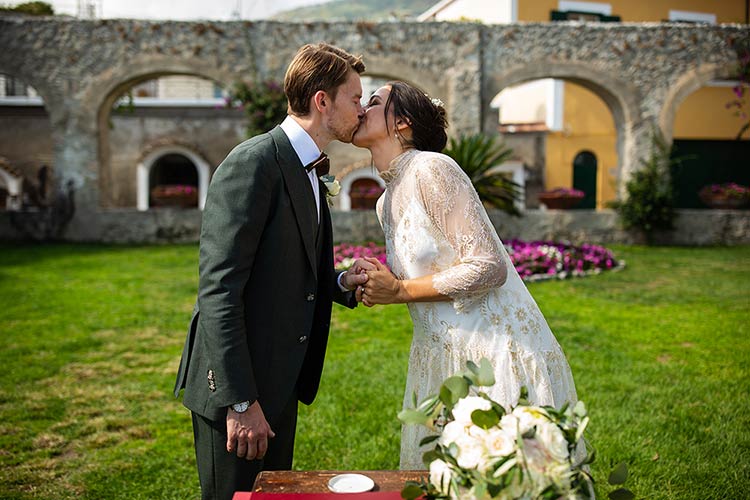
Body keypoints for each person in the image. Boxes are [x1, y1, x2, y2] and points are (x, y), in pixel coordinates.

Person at [173, 43, 375, 500]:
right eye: (355, 98)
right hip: (239, 388)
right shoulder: (254, 163)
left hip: (281, 380)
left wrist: (342, 281)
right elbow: (219, 291)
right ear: (322, 101)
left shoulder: (311, 168)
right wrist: (241, 402)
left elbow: (299, 265)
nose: (361, 110)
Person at [351, 81, 579, 469]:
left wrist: (402, 289)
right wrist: (379, 282)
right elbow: (432, 268)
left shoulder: (432, 168)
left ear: (402, 122)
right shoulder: (385, 201)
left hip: (491, 357)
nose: (361, 109)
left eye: (373, 102)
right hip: (438, 360)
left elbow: (488, 266)